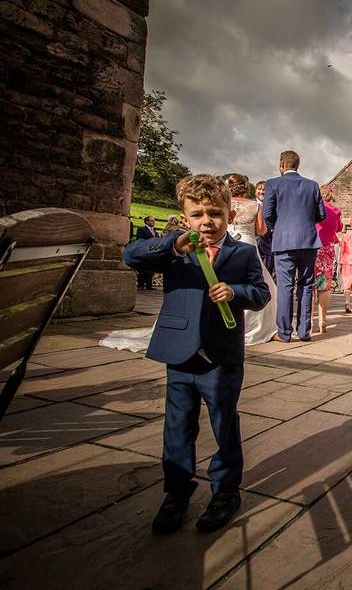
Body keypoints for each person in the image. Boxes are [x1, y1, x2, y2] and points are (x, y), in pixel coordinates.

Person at [122, 174, 271, 535]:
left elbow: (260, 293)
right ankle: (176, 491)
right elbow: (130, 255)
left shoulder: (244, 253)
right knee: (178, 423)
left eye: (215, 213)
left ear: (230, 213)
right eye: (198, 214)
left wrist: (235, 292)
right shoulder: (175, 249)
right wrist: (173, 246)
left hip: (221, 356)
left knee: (223, 420)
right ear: (185, 216)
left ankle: (225, 490)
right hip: (180, 352)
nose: (207, 221)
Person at [262, 150, 325, 342]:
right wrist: (306, 221)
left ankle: (285, 333)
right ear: (298, 164)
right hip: (308, 241)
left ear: (282, 164)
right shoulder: (312, 185)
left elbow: (267, 214)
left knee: (285, 286)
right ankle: (305, 331)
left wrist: (277, 228)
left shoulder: (273, 184)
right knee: (306, 285)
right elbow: (321, 215)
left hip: (283, 241)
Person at [224, 173, 279, 344]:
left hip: (227, 242)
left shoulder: (224, 203)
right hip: (247, 244)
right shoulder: (255, 205)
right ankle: (255, 326)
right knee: (259, 282)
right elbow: (262, 230)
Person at [313, 184, 342, 333]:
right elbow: (339, 228)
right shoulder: (335, 210)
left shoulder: (312, 207)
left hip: (312, 249)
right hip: (327, 250)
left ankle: (309, 321)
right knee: (324, 287)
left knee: (310, 287)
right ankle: (323, 320)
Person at [254, 180, 275, 280]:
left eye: (264, 190)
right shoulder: (251, 204)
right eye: (259, 189)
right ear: (255, 191)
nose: (262, 192)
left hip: (268, 243)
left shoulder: (273, 205)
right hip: (253, 240)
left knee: (267, 271)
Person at [135, 216, 159, 289]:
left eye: (154, 221)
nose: (153, 222)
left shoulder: (154, 230)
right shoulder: (141, 229)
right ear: (147, 222)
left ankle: (149, 284)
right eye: (152, 221)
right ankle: (141, 284)